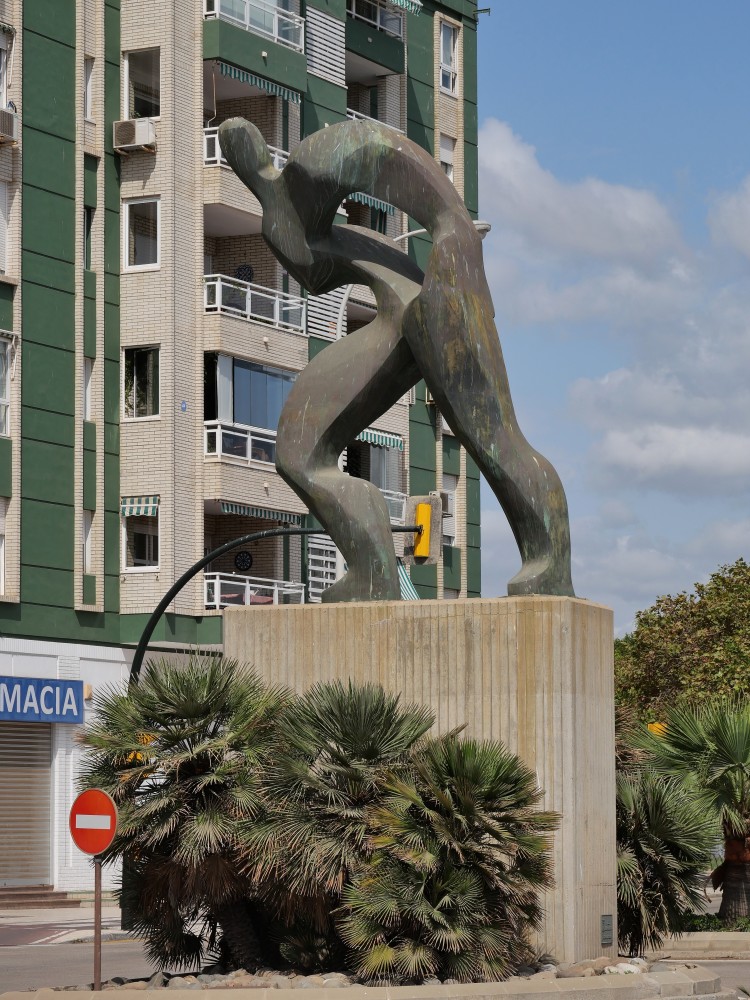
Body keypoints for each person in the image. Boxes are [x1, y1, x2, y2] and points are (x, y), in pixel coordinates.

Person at [218, 117, 574, 602]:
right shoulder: (288, 204)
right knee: (299, 453)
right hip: (406, 302)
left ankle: (549, 562)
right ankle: (373, 571)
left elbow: (381, 157)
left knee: (493, 435)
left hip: (443, 282)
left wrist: (454, 235)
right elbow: (322, 270)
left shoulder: (308, 166)